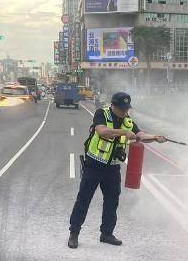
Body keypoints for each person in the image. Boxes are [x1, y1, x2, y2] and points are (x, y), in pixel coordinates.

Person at [68, 92, 167, 248]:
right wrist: (124, 133)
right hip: (94, 165)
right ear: (113, 105)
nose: (124, 111)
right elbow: (102, 131)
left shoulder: (128, 121)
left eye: (126, 108)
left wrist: (155, 137)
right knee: (84, 200)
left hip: (112, 169)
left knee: (112, 202)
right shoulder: (102, 113)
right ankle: (74, 233)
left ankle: (106, 233)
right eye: (121, 108)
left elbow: (139, 135)